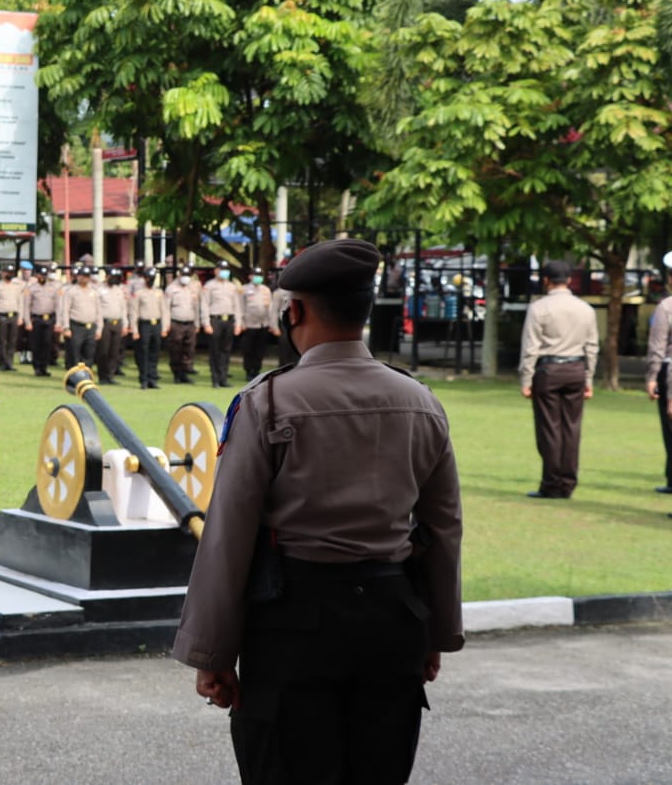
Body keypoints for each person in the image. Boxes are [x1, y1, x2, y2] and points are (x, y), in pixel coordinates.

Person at [173, 238, 464, 785]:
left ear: (296, 311)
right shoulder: (421, 400)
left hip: (293, 625)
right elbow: (443, 529)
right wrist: (438, 632)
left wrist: (211, 653)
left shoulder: (268, 401)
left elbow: (229, 535)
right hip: (393, 621)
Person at [518, 260, 599, 499]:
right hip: (576, 369)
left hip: (549, 370)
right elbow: (592, 347)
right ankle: (568, 481)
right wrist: (589, 379)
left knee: (549, 429)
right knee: (571, 428)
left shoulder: (539, 308)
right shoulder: (586, 309)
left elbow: (531, 347)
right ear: (570, 280)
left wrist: (526, 378)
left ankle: (552, 482)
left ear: (546, 280)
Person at [647, 250, 672, 496]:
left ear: (671, 279)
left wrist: (652, 377)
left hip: (671, 371)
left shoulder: (667, 306)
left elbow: (657, 346)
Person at [202, 263, 243, 388]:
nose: (225, 272)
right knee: (215, 350)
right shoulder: (209, 286)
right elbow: (205, 305)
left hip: (229, 320)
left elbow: (237, 306)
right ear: (216, 271)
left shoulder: (232, 286)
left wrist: (238, 323)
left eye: (226, 270)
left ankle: (223, 378)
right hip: (215, 320)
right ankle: (215, 379)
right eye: (222, 269)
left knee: (226, 350)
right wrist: (206, 323)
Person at [129, 266, 168, 390]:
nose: (151, 280)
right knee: (143, 352)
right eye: (149, 277)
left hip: (156, 324)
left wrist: (165, 327)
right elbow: (134, 312)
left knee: (155, 353)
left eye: (153, 277)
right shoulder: (139, 293)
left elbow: (164, 310)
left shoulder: (159, 292)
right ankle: (144, 379)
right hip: (144, 324)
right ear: (145, 278)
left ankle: (153, 379)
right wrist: (134, 330)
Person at [60, 265, 102, 370]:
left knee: (89, 355)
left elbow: (99, 311)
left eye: (87, 276)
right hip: (76, 326)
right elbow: (65, 310)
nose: (84, 278)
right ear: (78, 276)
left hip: (91, 327)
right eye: (82, 275)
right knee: (74, 355)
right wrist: (66, 327)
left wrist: (99, 329)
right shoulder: (71, 291)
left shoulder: (94, 291)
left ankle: (86, 377)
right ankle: (73, 377)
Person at [165, 264, 201, 383]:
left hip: (190, 323)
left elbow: (196, 307)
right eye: (184, 274)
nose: (186, 277)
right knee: (176, 349)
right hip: (176, 323)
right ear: (179, 275)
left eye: (188, 275)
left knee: (189, 349)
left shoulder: (193, 288)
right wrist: (167, 324)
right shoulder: (171, 288)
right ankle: (176, 374)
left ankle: (185, 373)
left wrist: (197, 323)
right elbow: (166, 308)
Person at [22, 265, 59, 377]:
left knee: (47, 344)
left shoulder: (53, 288)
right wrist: (27, 322)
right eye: (41, 275)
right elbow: (26, 306)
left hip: (49, 319)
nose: (43, 277)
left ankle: (44, 367)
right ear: (37, 276)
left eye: (44, 275)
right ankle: (37, 367)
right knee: (36, 344)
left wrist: (58, 322)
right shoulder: (31, 288)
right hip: (36, 319)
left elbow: (58, 306)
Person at [96, 267, 128, 384]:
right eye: (111, 276)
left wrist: (125, 324)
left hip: (117, 322)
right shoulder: (99, 290)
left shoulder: (119, 290)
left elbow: (123, 308)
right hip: (105, 323)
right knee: (103, 351)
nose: (113, 279)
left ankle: (110, 375)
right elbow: (97, 309)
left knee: (114, 351)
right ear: (106, 276)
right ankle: (102, 376)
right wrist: (99, 326)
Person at [240, 267, 273, 380]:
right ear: (250, 276)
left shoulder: (266, 289)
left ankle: (257, 370)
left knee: (260, 349)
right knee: (248, 349)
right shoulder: (244, 289)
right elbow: (240, 307)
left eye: (260, 275)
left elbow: (270, 308)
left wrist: (271, 323)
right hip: (249, 324)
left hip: (263, 324)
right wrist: (241, 323)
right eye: (256, 275)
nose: (258, 277)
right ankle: (248, 371)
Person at [0, 264, 23, 371]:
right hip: (2, 316)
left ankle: (10, 363)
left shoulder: (16, 286)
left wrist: (20, 317)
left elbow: (20, 302)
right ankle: (2, 363)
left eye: (11, 272)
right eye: (7, 272)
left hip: (13, 316)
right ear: (3, 274)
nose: (9, 274)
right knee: (1, 341)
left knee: (12, 341)